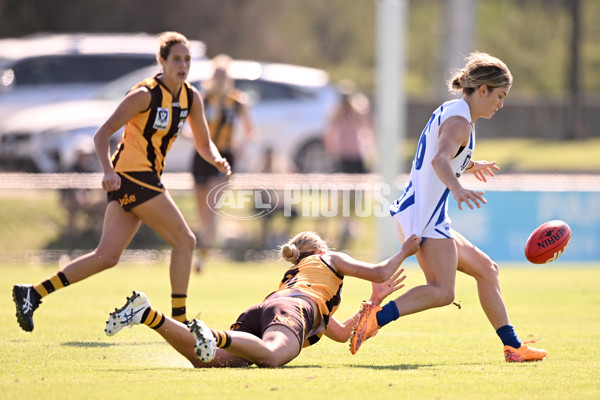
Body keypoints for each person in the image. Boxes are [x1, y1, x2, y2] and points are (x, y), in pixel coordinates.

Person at [12, 31, 231, 332]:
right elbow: (101, 134)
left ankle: (32, 293)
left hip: (141, 178)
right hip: (132, 177)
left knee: (106, 256)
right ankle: (180, 321)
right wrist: (107, 171)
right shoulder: (144, 95)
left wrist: (217, 159)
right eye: (176, 59)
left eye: (187, 59)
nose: (182, 65)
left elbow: (205, 144)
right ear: (162, 61)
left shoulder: (192, 98)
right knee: (186, 240)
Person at [349, 52, 547, 363]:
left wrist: (467, 164)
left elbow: (442, 154)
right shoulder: (461, 122)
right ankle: (375, 318)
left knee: (487, 270)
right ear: (482, 90)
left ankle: (513, 346)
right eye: (499, 95)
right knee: (443, 292)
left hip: (420, 212)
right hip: (424, 218)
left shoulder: (453, 111)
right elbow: (439, 159)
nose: (501, 104)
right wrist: (458, 189)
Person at [104, 231, 421, 368]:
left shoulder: (297, 275)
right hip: (293, 310)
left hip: (267, 309)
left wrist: (373, 300)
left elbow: (339, 334)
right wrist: (406, 250)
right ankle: (211, 334)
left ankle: (148, 314)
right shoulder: (329, 260)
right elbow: (381, 271)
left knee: (210, 360)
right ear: (321, 251)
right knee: (271, 357)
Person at [191, 54, 254, 272]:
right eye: (216, 74)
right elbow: (189, 127)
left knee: (211, 205)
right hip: (201, 155)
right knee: (201, 209)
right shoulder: (203, 98)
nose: (219, 79)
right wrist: (194, 138)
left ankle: (202, 255)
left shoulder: (237, 101)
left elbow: (249, 131)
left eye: (223, 75)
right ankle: (206, 243)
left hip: (224, 156)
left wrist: (240, 146)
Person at [324, 79, 375, 174]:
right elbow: (330, 131)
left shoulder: (358, 112)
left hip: (357, 152)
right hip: (343, 153)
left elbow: (367, 127)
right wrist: (331, 147)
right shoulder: (337, 113)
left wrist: (370, 146)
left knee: (360, 180)